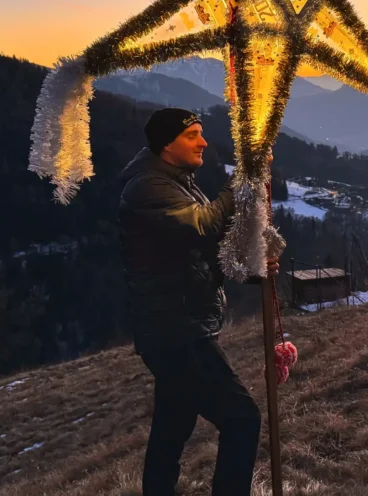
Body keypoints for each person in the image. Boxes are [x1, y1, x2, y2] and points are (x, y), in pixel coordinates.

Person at [119, 107, 280, 496]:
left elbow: (208, 251)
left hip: (177, 327)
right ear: (166, 144)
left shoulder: (178, 183)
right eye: (192, 135)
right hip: (176, 332)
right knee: (241, 418)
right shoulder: (147, 188)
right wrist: (243, 180)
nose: (204, 142)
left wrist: (253, 269)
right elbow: (204, 225)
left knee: (171, 430)